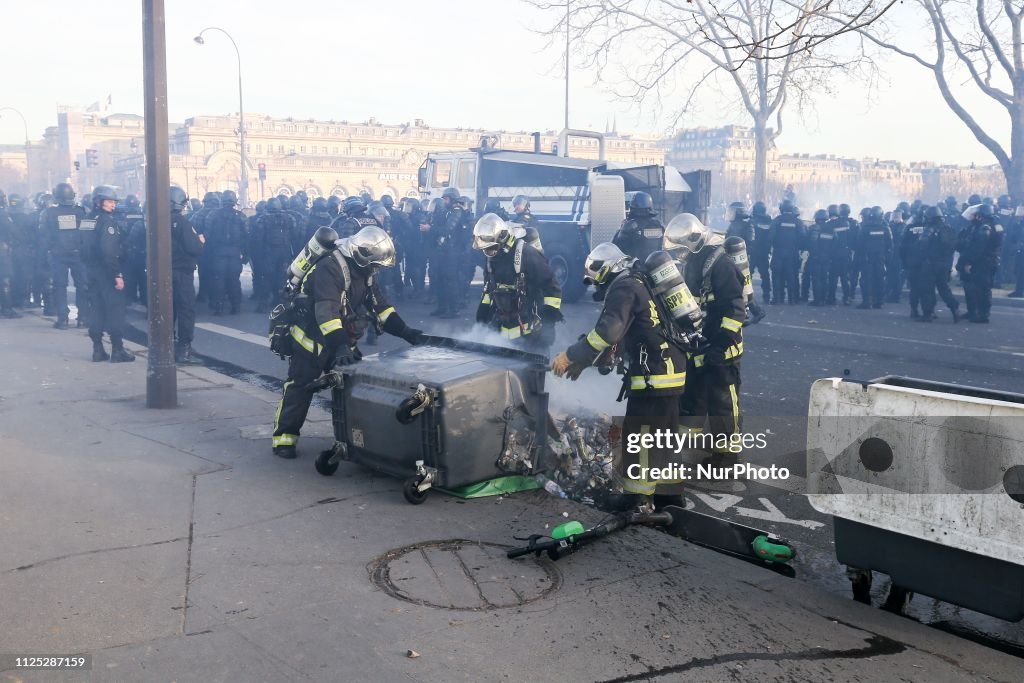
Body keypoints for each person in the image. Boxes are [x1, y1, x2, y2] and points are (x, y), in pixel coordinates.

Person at [550, 241, 687, 510]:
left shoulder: (623, 287)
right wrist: (586, 361)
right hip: (669, 371)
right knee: (663, 437)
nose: (596, 288)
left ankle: (634, 500)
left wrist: (570, 355)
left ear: (606, 272)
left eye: (596, 282)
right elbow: (619, 339)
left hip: (653, 377)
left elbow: (608, 332)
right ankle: (670, 499)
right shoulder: (637, 281)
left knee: (640, 438)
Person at [271, 226, 422, 458]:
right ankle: (285, 439)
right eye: (375, 265)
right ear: (363, 257)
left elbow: (380, 306)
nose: (376, 270)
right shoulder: (329, 267)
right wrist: (340, 346)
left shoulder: (364, 272)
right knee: (300, 387)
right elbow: (326, 312)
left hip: (341, 340)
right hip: (312, 340)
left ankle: (357, 439)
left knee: (355, 389)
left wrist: (406, 332)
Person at [663, 213, 745, 463]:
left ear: (693, 242)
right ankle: (678, 453)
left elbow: (735, 308)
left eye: (680, 250)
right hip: (699, 345)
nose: (679, 256)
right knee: (694, 398)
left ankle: (728, 457)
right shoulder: (694, 263)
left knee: (723, 403)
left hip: (723, 349)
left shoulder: (720, 265)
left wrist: (721, 345)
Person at [473, 213, 562, 351]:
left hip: (532, 335)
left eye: (491, 248)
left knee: (530, 370)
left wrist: (549, 317)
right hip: (502, 334)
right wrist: (483, 311)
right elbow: (489, 288)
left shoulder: (526, 254)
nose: (488, 252)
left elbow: (551, 284)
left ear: (502, 239)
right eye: (485, 250)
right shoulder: (491, 258)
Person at [82, 186, 134, 362]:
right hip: (106, 271)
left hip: (91, 270)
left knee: (96, 308)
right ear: (99, 202)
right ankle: (118, 349)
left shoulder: (87, 219)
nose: (113, 204)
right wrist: (116, 274)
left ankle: (97, 349)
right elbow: (108, 251)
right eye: (110, 201)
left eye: (114, 201)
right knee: (115, 309)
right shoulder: (108, 222)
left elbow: (82, 245)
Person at [42, 183, 90, 329]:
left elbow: (44, 235)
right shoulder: (82, 212)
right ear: (72, 195)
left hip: (58, 255)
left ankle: (63, 319)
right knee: (82, 286)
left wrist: (50, 250)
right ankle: (83, 318)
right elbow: (89, 234)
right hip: (79, 255)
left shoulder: (48, 213)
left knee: (59, 286)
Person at [169, 187, 205, 363]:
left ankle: (167, 346)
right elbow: (193, 247)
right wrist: (200, 242)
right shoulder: (183, 223)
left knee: (168, 310)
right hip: (182, 272)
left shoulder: (157, 220)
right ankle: (184, 349)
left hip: (164, 273)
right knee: (185, 310)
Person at [252, 198, 301, 312]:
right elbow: (295, 234)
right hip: (284, 252)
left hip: (268, 252)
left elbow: (258, 238)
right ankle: (280, 302)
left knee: (266, 278)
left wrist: (259, 253)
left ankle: (263, 304)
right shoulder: (289, 218)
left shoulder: (262, 218)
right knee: (282, 278)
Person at [203, 189, 247, 316]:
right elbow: (246, 236)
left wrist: (209, 252)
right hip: (234, 252)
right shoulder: (240, 216)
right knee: (234, 279)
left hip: (218, 253)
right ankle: (236, 306)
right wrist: (245, 254)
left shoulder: (213, 215)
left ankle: (219, 307)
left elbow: (207, 234)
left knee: (218, 280)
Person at [958, 203, 1003, 323]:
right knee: (979, 288)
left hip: (983, 262)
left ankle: (983, 315)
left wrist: (969, 262)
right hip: (987, 260)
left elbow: (978, 247)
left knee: (982, 289)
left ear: (981, 215)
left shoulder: (985, 228)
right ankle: (975, 311)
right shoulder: (994, 225)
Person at [918, 205, 960, 322]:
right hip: (944, 263)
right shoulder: (948, 228)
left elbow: (922, 246)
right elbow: (952, 247)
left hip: (931, 263)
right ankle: (954, 308)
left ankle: (928, 313)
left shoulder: (930, 229)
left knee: (927, 288)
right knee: (944, 288)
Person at [427, 188, 465, 318]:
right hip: (444, 251)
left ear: (452, 199)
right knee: (440, 280)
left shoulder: (457, 212)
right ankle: (442, 307)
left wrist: (430, 228)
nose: (444, 201)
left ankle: (454, 310)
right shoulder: (448, 212)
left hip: (452, 252)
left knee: (450, 281)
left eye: (446, 198)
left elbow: (447, 230)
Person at [612, 192, 664, 262]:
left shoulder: (630, 226)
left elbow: (615, 247)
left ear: (632, 208)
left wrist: (621, 229)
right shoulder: (659, 225)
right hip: (657, 266)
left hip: (637, 269)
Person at [769, 199, 803, 304]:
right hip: (793, 252)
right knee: (791, 275)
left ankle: (777, 299)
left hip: (778, 252)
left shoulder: (776, 220)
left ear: (781, 208)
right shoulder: (798, 222)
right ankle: (792, 299)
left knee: (776, 275)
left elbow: (770, 236)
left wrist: (770, 248)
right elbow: (803, 237)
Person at [856, 207, 892, 309]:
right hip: (880, 258)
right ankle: (879, 301)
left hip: (867, 258)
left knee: (866, 280)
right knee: (879, 279)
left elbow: (859, 244)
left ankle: (867, 302)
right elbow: (890, 244)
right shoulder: (885, 227)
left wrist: (859, 257)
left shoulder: (865, 227)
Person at [0, 190, 20, 318]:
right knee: (5, 278)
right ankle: (7, 308)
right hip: (2, 249)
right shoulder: (3, 214)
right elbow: (14, 231)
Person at [749, 201, 773, 304]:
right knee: (765, 275)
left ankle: (745, 296)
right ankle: (766, 296)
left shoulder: (752, 222)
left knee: (747, 275)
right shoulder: (769, 221)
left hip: (753, 252)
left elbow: (749, 237)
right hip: (764, 252)